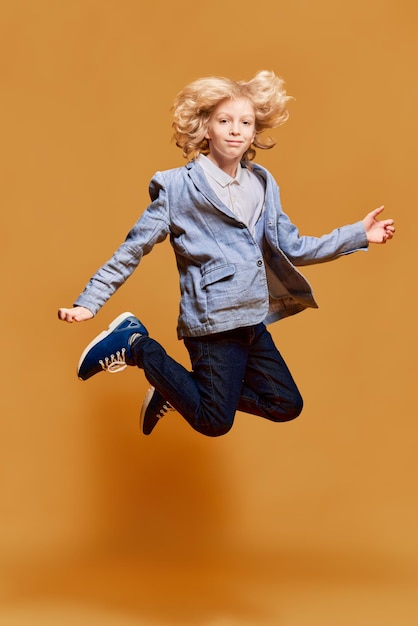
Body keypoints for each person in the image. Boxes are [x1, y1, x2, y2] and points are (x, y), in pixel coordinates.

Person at [58, 70, 395, 437]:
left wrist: (358, 234)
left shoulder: (262, 182)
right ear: (205, 128)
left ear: (254, 131)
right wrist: (90, 301)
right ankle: (135, 345)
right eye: (225, 121)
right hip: (213, 325)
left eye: (245, 122)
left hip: (251, 320)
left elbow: (293, 247)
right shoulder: (176, 188)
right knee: (213, 422)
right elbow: (132, 249)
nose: (236, 130)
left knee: (285, 403)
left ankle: (172, 386)